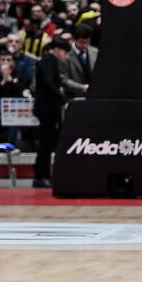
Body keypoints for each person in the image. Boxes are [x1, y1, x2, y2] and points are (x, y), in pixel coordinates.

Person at [33, 39, 70, 188]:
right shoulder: (49, 60)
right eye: (65, 52)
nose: (66, 56)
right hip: (47, 109)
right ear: (57, 49)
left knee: (47, 143)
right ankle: (41, 176)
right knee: (46, 144)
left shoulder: (48, 60)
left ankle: (42, 174)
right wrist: (63, 100)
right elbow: (49, 82)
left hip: (47, 109)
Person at [60, 25, 97, 99]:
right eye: (81, 42)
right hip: (72, 96)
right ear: (74, 39)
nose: (85, 45)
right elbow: (63, 78)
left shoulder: (95, 52)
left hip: (93, 96)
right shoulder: (65, 53)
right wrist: (82, 87)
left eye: (87, 42)